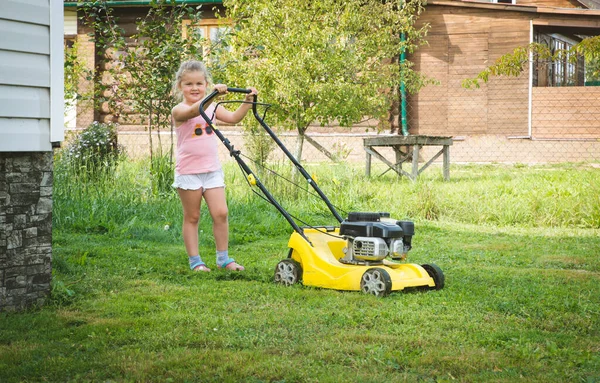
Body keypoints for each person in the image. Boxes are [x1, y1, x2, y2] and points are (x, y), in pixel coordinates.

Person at [171, 60, 257, 272]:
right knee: (192, 216)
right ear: (180, 86)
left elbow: (234, 118)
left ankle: (223, 259)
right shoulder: (179, 110)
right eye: (189, 84)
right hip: (189, 172)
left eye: (199, 84)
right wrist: (214, 96)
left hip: (212, 171)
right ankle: (195, 261)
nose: (194, 88)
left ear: (206, 84)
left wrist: (247, 101)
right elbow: (194, 112)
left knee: (221, 213)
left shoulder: (212, 107)